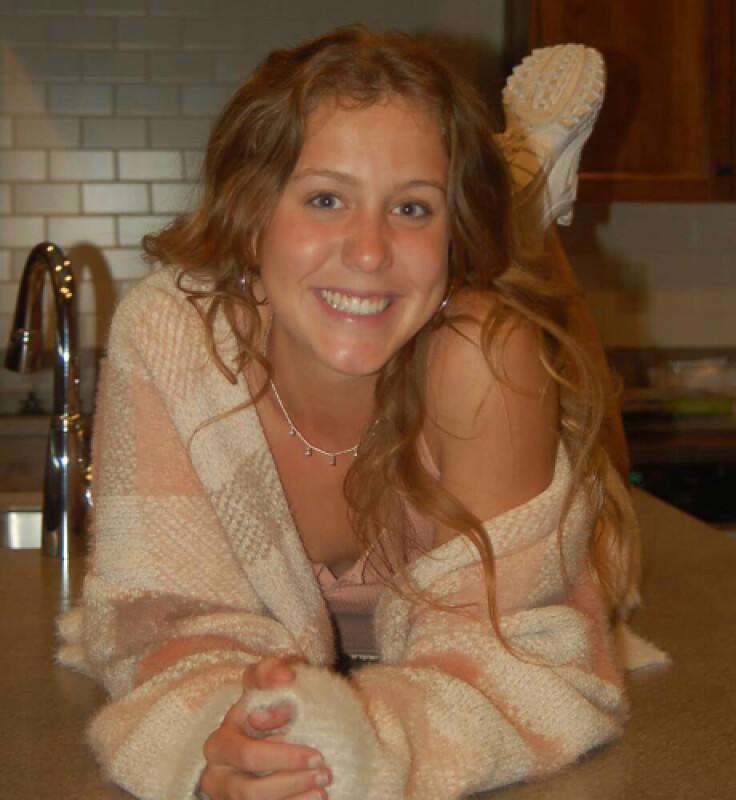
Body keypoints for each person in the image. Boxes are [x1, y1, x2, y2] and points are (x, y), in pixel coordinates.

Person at [58, 26, 656, 800]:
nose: (368, 250)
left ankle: (525, 195)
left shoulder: (482, 354)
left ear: (451, 237)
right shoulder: (171, 335)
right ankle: (518, 182)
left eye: (413, 208)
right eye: (326, 199)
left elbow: (516, 656)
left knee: (550, 361)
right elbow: (161, 617)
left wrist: (350, 748)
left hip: (568, 513)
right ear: (251, 216)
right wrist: (225, 737)